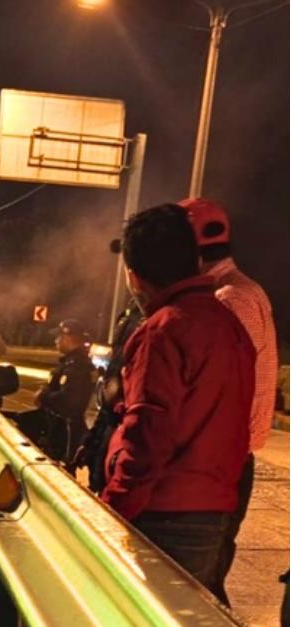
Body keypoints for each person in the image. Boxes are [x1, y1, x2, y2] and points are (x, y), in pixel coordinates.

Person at [101, 204, 255, 601]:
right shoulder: (229, 324)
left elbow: (150, 434)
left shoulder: (163, 330)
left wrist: (110, 507)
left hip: (163, 515)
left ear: (134, 277)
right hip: (213, 511)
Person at [179, 197, 279, 605]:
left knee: (197, 589)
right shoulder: (246, 290)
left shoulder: (225, 300)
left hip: (219, 464)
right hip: (233, 460)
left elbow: (215, 394)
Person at [69, 300, 142, 493]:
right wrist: (93, 440)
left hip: (127, 439)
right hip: (112, 430)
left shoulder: (155, 321)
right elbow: (112, 391)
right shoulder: (131, 314)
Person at [17, 319, 95, 463]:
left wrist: (44, 395)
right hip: (55, 428)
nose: (56, 340)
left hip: (65, 433)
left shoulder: (78, 366)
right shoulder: (69, 362)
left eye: (59, 337)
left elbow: (69, 402)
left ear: (68, 338)